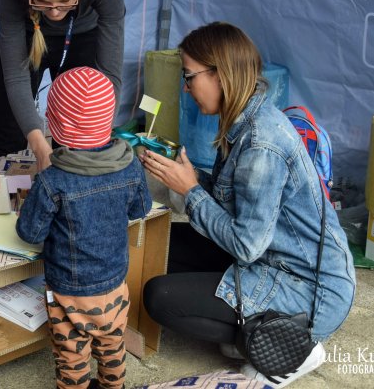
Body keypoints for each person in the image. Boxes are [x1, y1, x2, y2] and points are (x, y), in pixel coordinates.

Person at [140, 22, 355, 388]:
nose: (186, 87)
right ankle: (249, 327)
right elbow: (239, 202)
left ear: (220, 75)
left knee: (159, 296)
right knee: (161, 246)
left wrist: (190, 191)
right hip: (273, 256)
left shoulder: (260, 143)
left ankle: (290, 345)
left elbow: (247, 244)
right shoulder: (245, 118)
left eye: (189, 77)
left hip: (306, 288)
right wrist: (187, 179)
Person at [16, 66, 152, 389]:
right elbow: (141, 208)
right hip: (115, 285)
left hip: (69, 293)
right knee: (112, 351)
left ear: (56, 125)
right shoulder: (129, 163)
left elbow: (30, 233)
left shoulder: (52, 180)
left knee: (72, 359)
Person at [0, 0, 126, 171]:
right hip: (30, 34)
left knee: (79, 125)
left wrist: (96, 133)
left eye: (65, 1)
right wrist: (39, 145)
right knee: (9, 128)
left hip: (83, 34)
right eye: (42, 1)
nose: (54, 13)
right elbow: (16, 77)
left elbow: (109, 75)